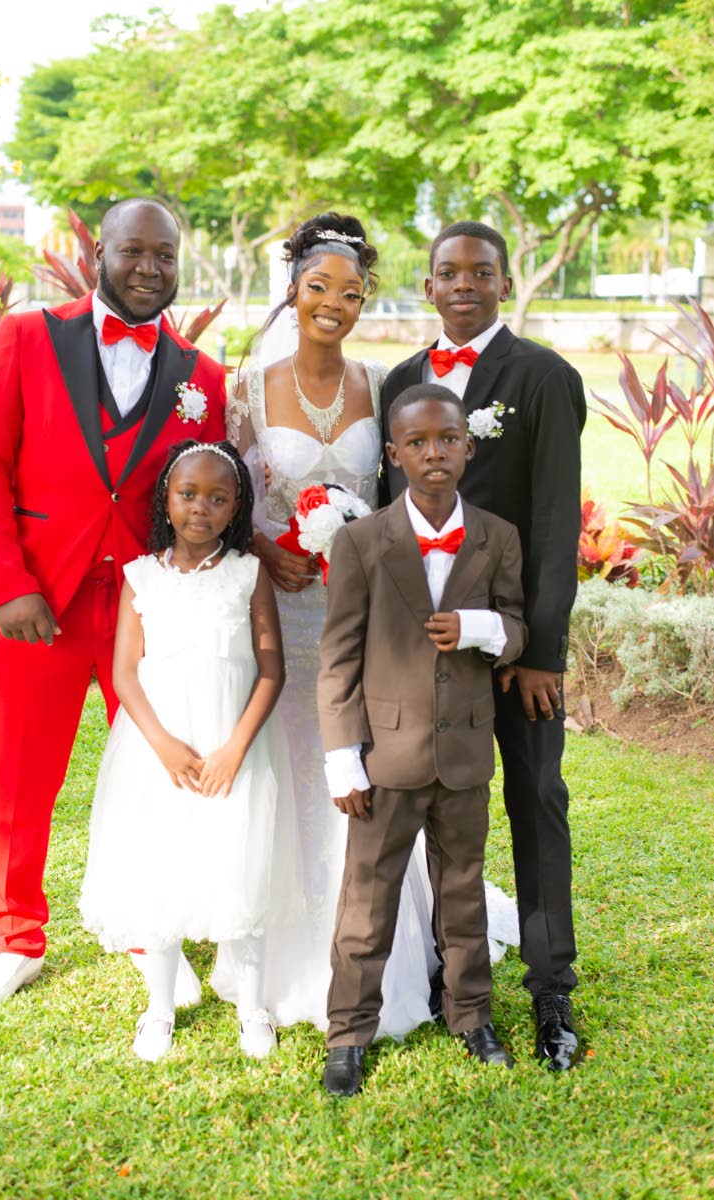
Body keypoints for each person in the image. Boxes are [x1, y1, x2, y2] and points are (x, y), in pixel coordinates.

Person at [0, 198, 227, 1016]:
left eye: (164, 255)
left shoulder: (202, 377)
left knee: (153, 771)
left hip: (149, 612)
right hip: (40, 603)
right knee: (21, 775)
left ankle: (152, 930)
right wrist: (8, 586)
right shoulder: (26, 337)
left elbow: (206, 496)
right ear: (98, 252)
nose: (149, 267)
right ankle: (13, 937)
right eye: (132, 250)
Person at [221, 212, 442, 1037]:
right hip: (279, 613)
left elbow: (397, 498)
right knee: (285, 770)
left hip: (363, 617)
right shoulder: (248, 387)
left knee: (362, 765)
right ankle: (279, 952)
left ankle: (373, 950)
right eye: (319, 287)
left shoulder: (379, 385)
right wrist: (262, 546)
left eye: (351, 294)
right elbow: (226, 495)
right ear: (293, 290)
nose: (334, 305)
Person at [379, 220, 586, 1071]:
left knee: (534, 799)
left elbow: (555, 521)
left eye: (480, 271)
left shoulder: (543, 376)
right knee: (433, 810)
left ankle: (551, 990)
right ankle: (451, 979)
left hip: (514, 650)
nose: (463, 284)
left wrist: (541, 652)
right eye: (447, 272)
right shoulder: (400, 380)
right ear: (427, 284)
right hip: (426, 651)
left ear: (503, 282)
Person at [318, 384, 526, 1096]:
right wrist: (343, 758)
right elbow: (338, 658)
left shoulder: (497, 536)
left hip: (464, 754)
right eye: (417, 443)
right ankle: (348, 1032)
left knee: (462, 891)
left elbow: (516, 628)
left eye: (446, 439)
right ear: (393, 454)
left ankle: (471, 1016)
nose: (433, 453)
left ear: (467, 447)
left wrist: (480, 629)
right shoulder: (361, 542)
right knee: (366, 900)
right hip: (385, 757)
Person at [79, 441, 297, 1061]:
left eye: (218, 498)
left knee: (241, 862)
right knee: (160, 866)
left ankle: (252, 1006)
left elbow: (271, 670)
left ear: (236, 508)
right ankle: (159, 1008)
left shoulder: (248, 575)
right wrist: (164, 746)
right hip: (159, 754)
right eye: (188, 494)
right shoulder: (141, 576)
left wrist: (235, 748)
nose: (201, 507)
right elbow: (124, 674)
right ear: (166, 500)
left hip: (235, 747)